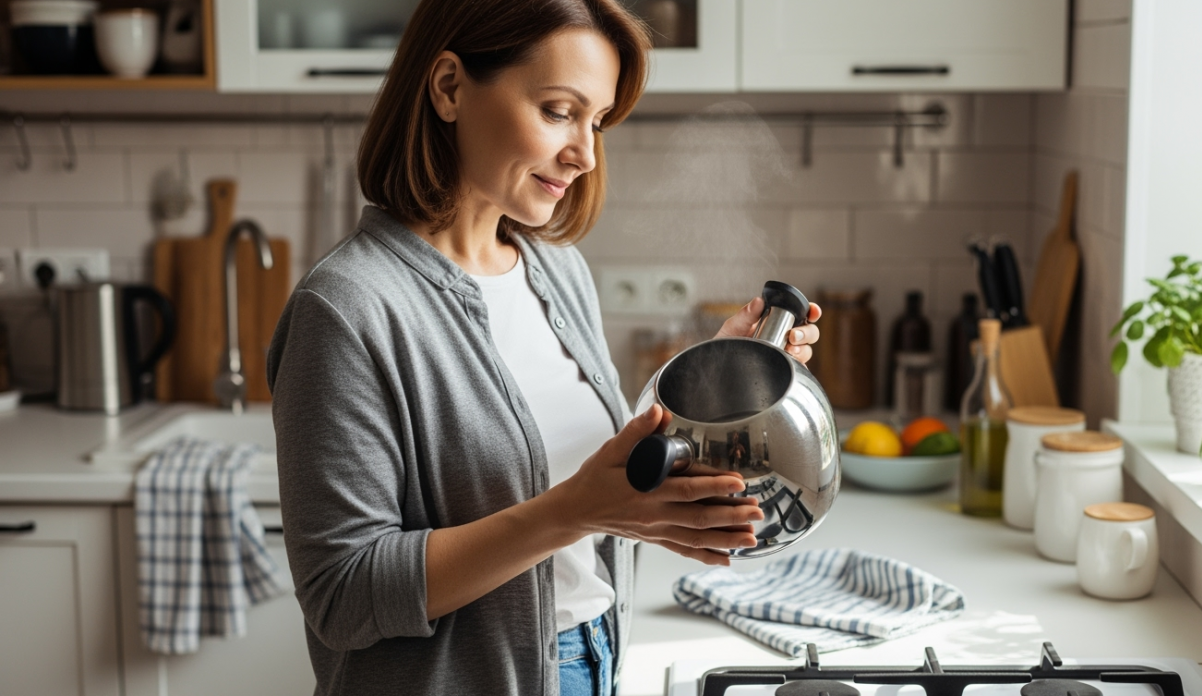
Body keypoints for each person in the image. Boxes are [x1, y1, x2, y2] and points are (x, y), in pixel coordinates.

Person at [266, 1, 821, 694]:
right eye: (559, 110)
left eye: (596, 122)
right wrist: (574, 512)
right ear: (448, 87)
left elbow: (582, 471)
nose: (585, 153)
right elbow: (343, 597)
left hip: (593, 659)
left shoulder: (554, 270)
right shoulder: (346, 309)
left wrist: (709, 381)